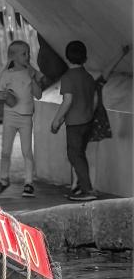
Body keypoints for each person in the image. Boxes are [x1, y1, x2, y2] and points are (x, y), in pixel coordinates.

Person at [0, 40, 44, 197]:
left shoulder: (31, 73)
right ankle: (3, 179)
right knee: (5, 150)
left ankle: (29, 183)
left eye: (28, 53)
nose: (28, 56)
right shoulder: (6, 74)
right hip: (10, 116)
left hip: (26, 117)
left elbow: (39, 95)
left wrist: (33, 78)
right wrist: (4, 96)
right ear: (13, 57)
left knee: (27, 151)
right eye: (24, 54)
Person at [51, 40, 97, 201]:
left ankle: (88, 190)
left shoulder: (68, 78)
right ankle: (78, 187)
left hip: (75, 124)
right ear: (85, 58)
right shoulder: (88, 77)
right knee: (80, 154)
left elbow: (68, 101)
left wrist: (56, 120)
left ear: (67, 57)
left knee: (74, 155)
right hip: (87, 122)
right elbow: (94, 99)